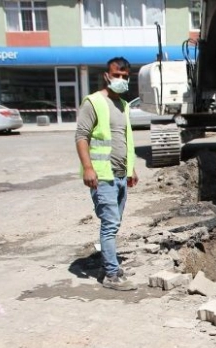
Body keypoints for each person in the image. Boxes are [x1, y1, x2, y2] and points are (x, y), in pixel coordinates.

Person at [75, 57, 139, 290]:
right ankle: (112, 275)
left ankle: (107, 265)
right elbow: (81, 136)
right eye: (116, 75)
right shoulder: (93, 102)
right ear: (106, 76)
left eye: (124, 76)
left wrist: (130, 167)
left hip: (121, 175)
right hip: (103, 175)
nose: (120, 80)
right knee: (110, 224)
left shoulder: (124, 105)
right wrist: (88, 167)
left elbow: (125, 139)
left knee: (115, 222)